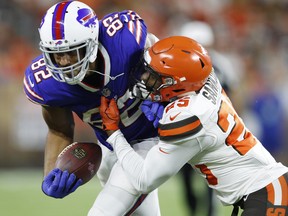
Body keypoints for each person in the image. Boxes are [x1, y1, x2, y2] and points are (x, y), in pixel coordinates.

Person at [99, 36, 288, 216]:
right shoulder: (200, 80)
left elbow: (143, 179)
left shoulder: (187, 116)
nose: (145, 78)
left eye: (154, 76)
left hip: (267, 191)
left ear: (176, 83)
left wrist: (113, 133)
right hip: (266, 189)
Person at [23, 1, 162, 215]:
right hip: (112, 145)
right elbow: (58, 129)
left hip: (155, 135)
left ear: (92, 43)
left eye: (72, 52)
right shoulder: (46, 83)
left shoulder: (124, 39)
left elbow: (167, 61)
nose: (64, 62)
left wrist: (164, 95)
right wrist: (51, 174)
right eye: (56, 54)